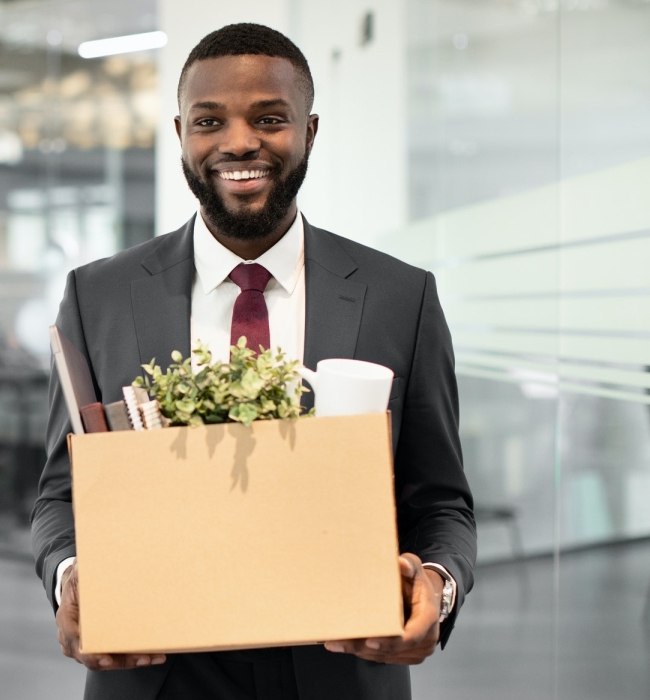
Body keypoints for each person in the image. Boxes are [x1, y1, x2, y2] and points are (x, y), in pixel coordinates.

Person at [31, 23, 476, 700]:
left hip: (340, 668)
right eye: (211, 121)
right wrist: (73, 579)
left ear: (310, 131)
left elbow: (440, 500)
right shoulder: (96, 296)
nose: (239, 142)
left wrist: (435, 588)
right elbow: (62, 493)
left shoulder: (399, 298)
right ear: (181, 132)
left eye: (269, 118)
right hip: (154, 673)